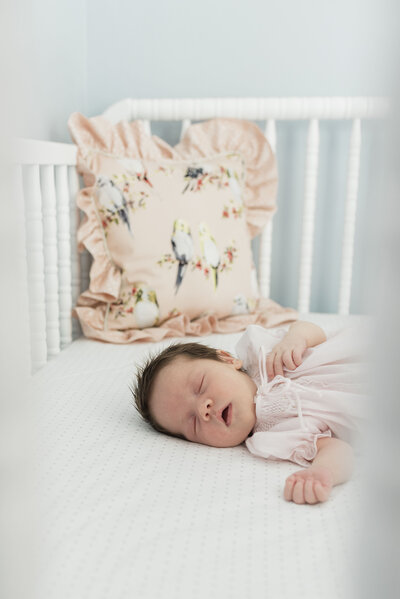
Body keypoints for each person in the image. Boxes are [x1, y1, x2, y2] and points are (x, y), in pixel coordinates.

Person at [133, 320, 369, 505]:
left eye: (200, 386)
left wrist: (297, 338)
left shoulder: (263, 352)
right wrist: (321, 472)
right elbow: (338, 450)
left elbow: (315, 332)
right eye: (193, 423)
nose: (202, 409)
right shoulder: (272, 437)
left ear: (226, 359)